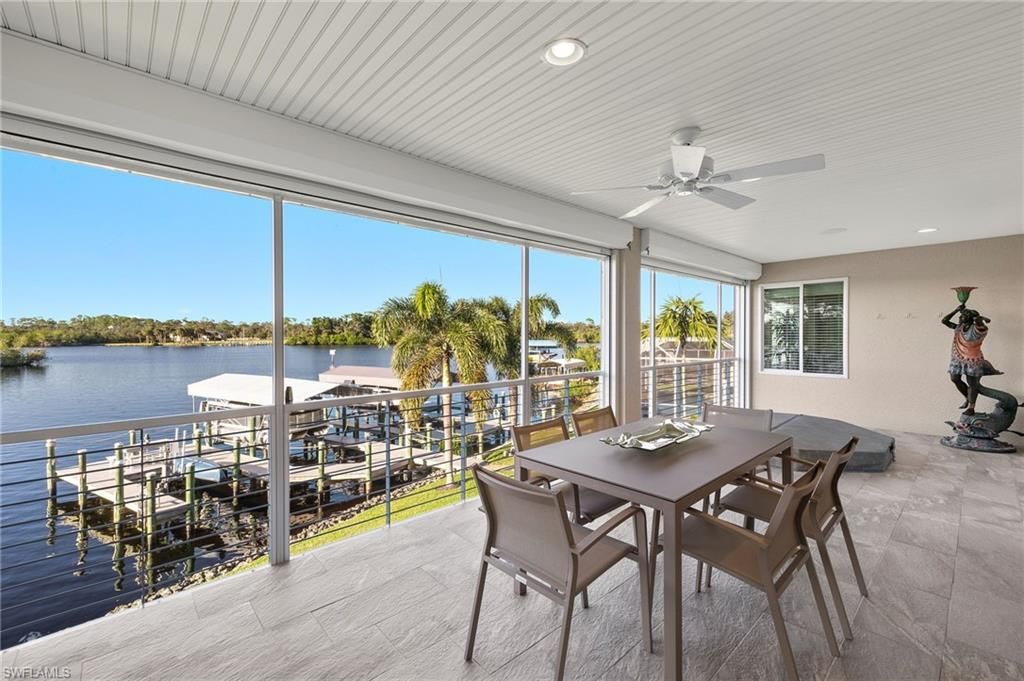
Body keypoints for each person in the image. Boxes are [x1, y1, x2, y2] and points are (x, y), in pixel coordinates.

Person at [942, 304, 1003, 415]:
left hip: (972, 360)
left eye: (964, 315)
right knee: (955, 379)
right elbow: (944, 321)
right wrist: (956, 310)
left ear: (971, 318)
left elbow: (981, 326)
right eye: (961, 315)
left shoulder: (977, 329)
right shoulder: (958, 328)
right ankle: (967, 398)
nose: (960, 317)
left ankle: (971, 407)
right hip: (957, 358)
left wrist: (978, 320)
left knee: (972, 384)